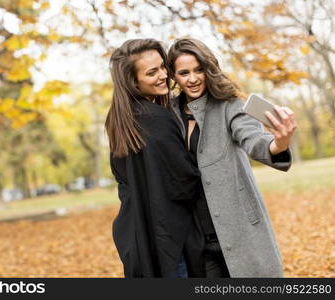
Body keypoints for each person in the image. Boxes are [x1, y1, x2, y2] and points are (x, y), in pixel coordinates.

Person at [166, 38, 297, 278]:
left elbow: (253, 139)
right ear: (174, 76)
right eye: (184, 73)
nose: (193, 79)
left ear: (209, 68)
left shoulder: (229, 105)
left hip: (240, 232)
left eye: (199, 70)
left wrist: (278, 143)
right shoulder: (168, 113)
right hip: (196, 241)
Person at [105, 39, 206, 277]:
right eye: (152, 72)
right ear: (133, 81)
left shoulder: (118, 121)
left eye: (162, 67)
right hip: (171, 240)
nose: (164, 75)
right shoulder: (158, 118)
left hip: (139, 237)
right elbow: (184, 181)